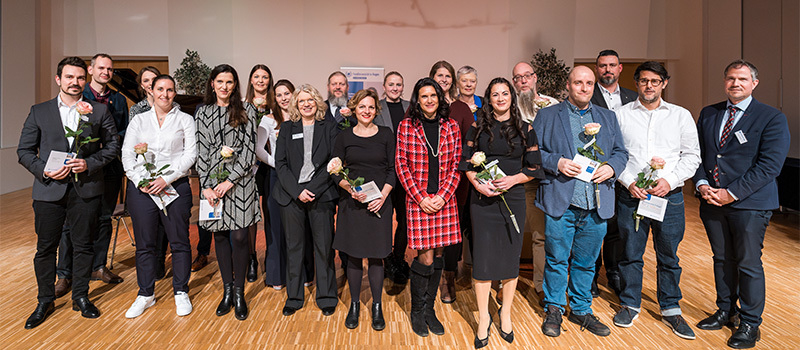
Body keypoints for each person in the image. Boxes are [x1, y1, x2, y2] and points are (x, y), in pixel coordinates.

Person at [693, 60, 790, 349]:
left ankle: (750, 323)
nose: (736, 83)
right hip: (712, 202)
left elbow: (770, 166)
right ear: (725, 81)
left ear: (754, 83)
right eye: (731, 78)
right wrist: (701, 185)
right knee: (721, 259)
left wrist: (731, 193)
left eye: (742, 79)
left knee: (748, 263)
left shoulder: (772, 117)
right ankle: (726, 310)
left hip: (750, 204)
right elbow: (698, 154)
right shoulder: (709, 113)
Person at [18, 56, 119, 328]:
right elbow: (24, 152)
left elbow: (112, 148)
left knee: (84, 244)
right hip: (49, 190)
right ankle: (45, 300)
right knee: (45, 248)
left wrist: (89, 163)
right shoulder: (39, 111)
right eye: (69, 77)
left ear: (85, 80)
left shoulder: (98, 111)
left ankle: (81, 297)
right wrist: (43, 170)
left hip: (86, 188)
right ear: (58, 79)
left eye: (79, 78)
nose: (75, 82)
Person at [533, 66, 628, 338]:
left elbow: (621, 152)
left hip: (596, 203)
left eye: (589, 83)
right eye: (578, 83)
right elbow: (533, 153)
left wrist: (611, 167)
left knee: (586, 262)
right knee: (557, 259)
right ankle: (554, 308)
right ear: (568, 85)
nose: (584, 88)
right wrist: (556, 162)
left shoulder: (607, 117)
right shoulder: (548, 115)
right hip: (561, 201)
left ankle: (581, 309)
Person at [612, 62, 701, 340]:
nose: (648, 86)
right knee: (630, 253)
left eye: (655, 81)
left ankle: (671, 308)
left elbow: (692, 156)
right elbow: (616, 154)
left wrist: (670, 181)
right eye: (643, 81)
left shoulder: (680, 116)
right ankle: (630, 303)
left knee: (669, 256)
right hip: (632, 196)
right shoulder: (620, 115)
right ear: (636, 83)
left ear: (664, 83)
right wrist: (629, 181)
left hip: (669, 198)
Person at [461, 77, 544, 347]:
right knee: (483, 256)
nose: (500, 98)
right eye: (495, 94)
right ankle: (484, 316)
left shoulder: (525, 128)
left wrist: (512, 180)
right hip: (483, 200)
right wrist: (478, 185)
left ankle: (505, 312)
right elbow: (465, 163)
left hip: (514, 197)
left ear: (512, 97)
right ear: (489, 98)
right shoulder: (477, 126)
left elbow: (534, 167)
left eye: (504, 93)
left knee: (510, 256)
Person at [121, 74, 197, 318]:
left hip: (175, 187)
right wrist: (140, 180)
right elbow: (126, 154)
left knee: (179, 241)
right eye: (160, 89)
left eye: (170, 90)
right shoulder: (139, 120)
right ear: (151, 91)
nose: (165, 94)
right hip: (142, 189)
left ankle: (180, 291)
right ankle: (145, 294)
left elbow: (190, 155)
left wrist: (167, 178)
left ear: (175, 93)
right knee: (145, 245)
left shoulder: (185, 119)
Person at [55, 54, 128, 296]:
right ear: (91, 70)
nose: (106, 72)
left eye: (109, 69)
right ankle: (65, 274)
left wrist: (109, 146)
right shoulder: (78, 95)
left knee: (104, 218)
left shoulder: (118, 99)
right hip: (79, 168)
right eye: (101, 68)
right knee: (70, 224)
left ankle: (99, 266)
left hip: (108, 168)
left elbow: (122, 131)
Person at [395, 77, 462, 337]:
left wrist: (443, 196)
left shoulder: (452, 126)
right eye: (424, 96)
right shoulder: (406, 126)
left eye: (433, 95)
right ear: (417, 100)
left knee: (438, 258)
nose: (429, 100)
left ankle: (430, 309)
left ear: (439, 97)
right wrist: (420, 197)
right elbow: (402, 166)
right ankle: (417, 309)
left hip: (444, 201)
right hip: (419, 200)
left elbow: (458, 164)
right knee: (424, 258)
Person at [195, 64, 261, 321]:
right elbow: (200, 151)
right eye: (220, 81)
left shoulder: (247, 111)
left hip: (240, 183)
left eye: (229, 82)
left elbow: (248, 152)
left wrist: (230, 181)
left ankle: (240, 292)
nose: (224, 86)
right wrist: (207, 185)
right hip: (212, 184)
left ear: (235, 85)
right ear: (212, 83)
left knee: (241, 237)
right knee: (220, 236)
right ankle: (227, 291)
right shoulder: (202, 113)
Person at [331, 89, 396, 330]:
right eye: (362, 107)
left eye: (371, 107)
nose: (366, 111)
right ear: (354, 109)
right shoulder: (344, 136)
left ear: (376, 110)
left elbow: (393, 169)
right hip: (353, 204)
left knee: (377, 256)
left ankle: (377, 306)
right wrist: (349, 189)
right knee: (355, 256)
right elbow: (335, 170)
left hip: (380, 203)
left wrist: (383, 196)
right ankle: (355, 304)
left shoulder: (387, 135)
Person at [274, 84, 340, 317]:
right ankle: (294, 297)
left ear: (317, 102)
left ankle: (327, 296)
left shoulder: (329, 127)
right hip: (291, 196)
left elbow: (333, 162)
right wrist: (297, 191)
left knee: (323, 248)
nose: (306, 104)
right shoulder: (287, 128)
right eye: (301, 101)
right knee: (294, 248)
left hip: (321, 195)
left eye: (310, 99)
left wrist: (311, 188)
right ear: (296, 105)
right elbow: (280, 163)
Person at [589, 49, 639, 298]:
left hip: (626, 170)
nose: (607, 69)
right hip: (597, 171)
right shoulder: (588, 96)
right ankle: (591, 275)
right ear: (597, 69)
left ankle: (614, 272)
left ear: (620, 68)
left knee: (618, 228)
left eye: (612, 65)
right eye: (602, 66)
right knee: (595, 224)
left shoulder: (633, 97)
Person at [511, 61, 559, 307]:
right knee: (515, 233)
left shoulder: (553, 105)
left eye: (526, 76)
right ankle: (506, 282)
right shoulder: (509, 107)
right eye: (518, 78)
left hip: (550, 180)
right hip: (522, 179)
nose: (523, 82)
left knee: (543, 235)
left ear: (535, 77)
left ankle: (542, 284)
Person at [431, 61, 472, 304]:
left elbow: (471, 141)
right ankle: (428, 275)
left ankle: (448, 278)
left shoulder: (461, 108)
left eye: (448, 76)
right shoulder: (422, 103)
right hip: (427, 181)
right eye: (439, 75)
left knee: (452, 233)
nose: (444, 79)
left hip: (455, 182)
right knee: (430, 230)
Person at [128, 66, 173, 280]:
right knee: (147, 226)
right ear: (143, 85)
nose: (150, 83)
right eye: (146, 80)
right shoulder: (137, 112)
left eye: (153, 79)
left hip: (166, 174)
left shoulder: (175, 109)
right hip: (144, 172)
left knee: (164, 222)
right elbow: (133, 145)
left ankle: (160, 259)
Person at [373, 71, 411, 284]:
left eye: (399, 84)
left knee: (405, 218)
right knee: (386, 218)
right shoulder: (376, 107)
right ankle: (386, 258)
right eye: (391, 84)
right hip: (385, 171)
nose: (395, 88)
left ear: (403, 87)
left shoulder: (410, 107)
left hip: (407, 172)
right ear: (384, 86)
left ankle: (398, 256)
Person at [244, 64, 275, 282]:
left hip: (271, 164)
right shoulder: (243, 106)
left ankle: (272, 256)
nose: (261, 80)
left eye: (265, 77)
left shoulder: (277, 105)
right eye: (257, 76)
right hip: (249, 167)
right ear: (251, 80)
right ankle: (251, 257)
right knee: (250, 214)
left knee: (271, 212)